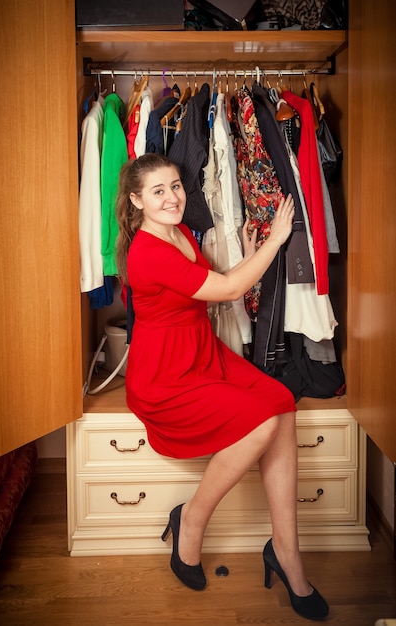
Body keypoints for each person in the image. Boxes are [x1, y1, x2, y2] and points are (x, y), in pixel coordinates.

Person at [116, 153, 329, 621]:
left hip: (201, 353)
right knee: (260, 425)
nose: (173, 197)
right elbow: (230, 290)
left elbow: (210, 278)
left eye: (175, 186)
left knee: (281, 402)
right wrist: (275, 240)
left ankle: (286, 549)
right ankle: (190, 519)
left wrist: (249, 256)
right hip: (165, 375)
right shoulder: (148, 251)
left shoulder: (178, 229)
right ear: (136, 200)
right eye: (158, 191)